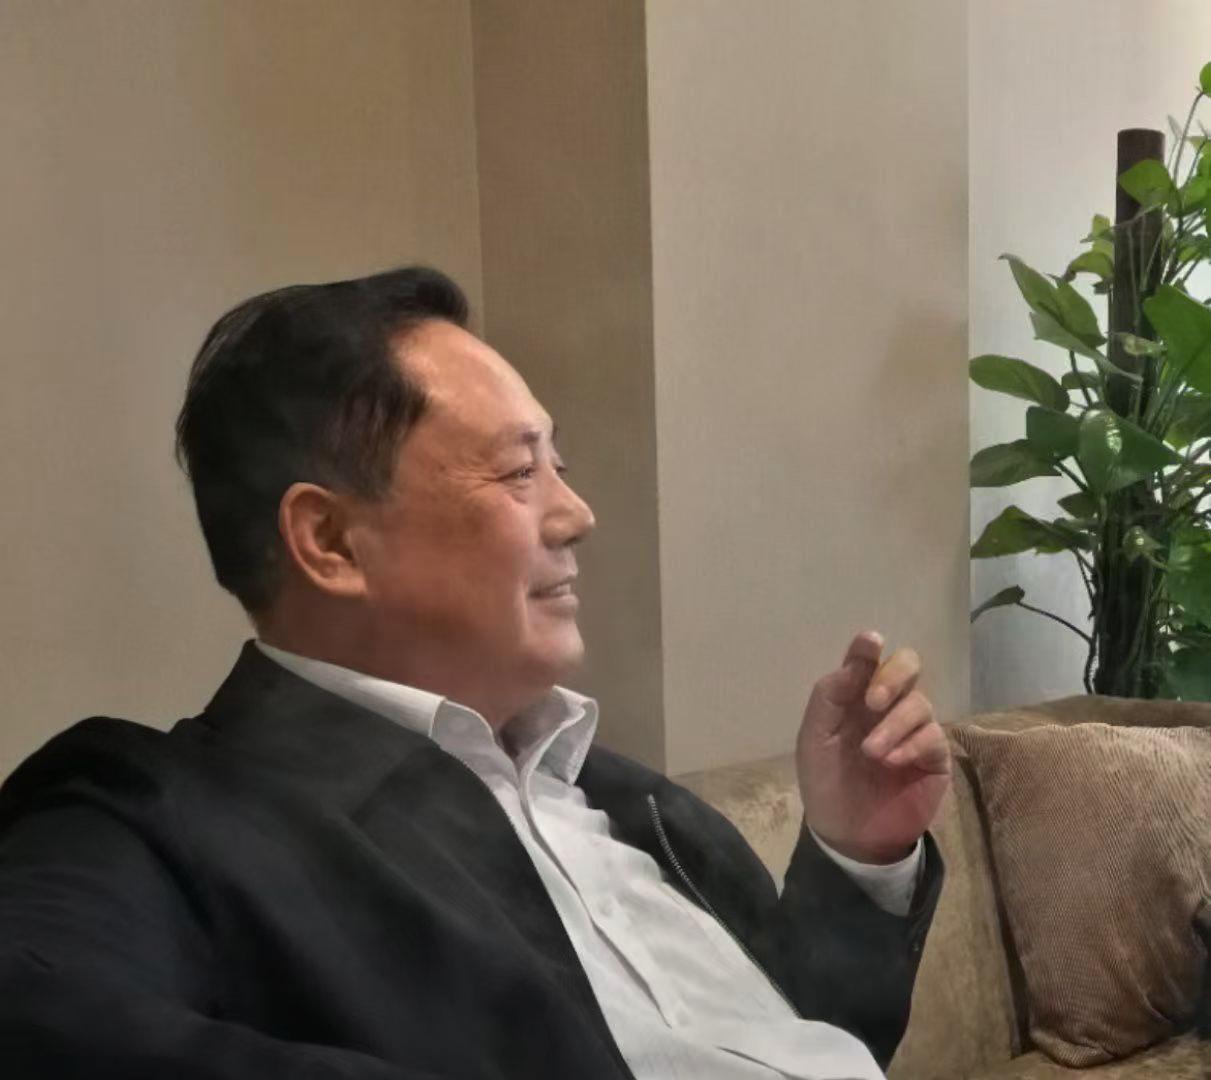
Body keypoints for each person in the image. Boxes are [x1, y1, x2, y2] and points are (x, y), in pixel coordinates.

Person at [0, 267, 950, 1079]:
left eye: (558, 467)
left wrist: (856, 856)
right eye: (518, 474)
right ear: (330, 541)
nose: (577, 515)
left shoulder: (626, 801)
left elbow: (807, 1038)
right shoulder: (154, 814)